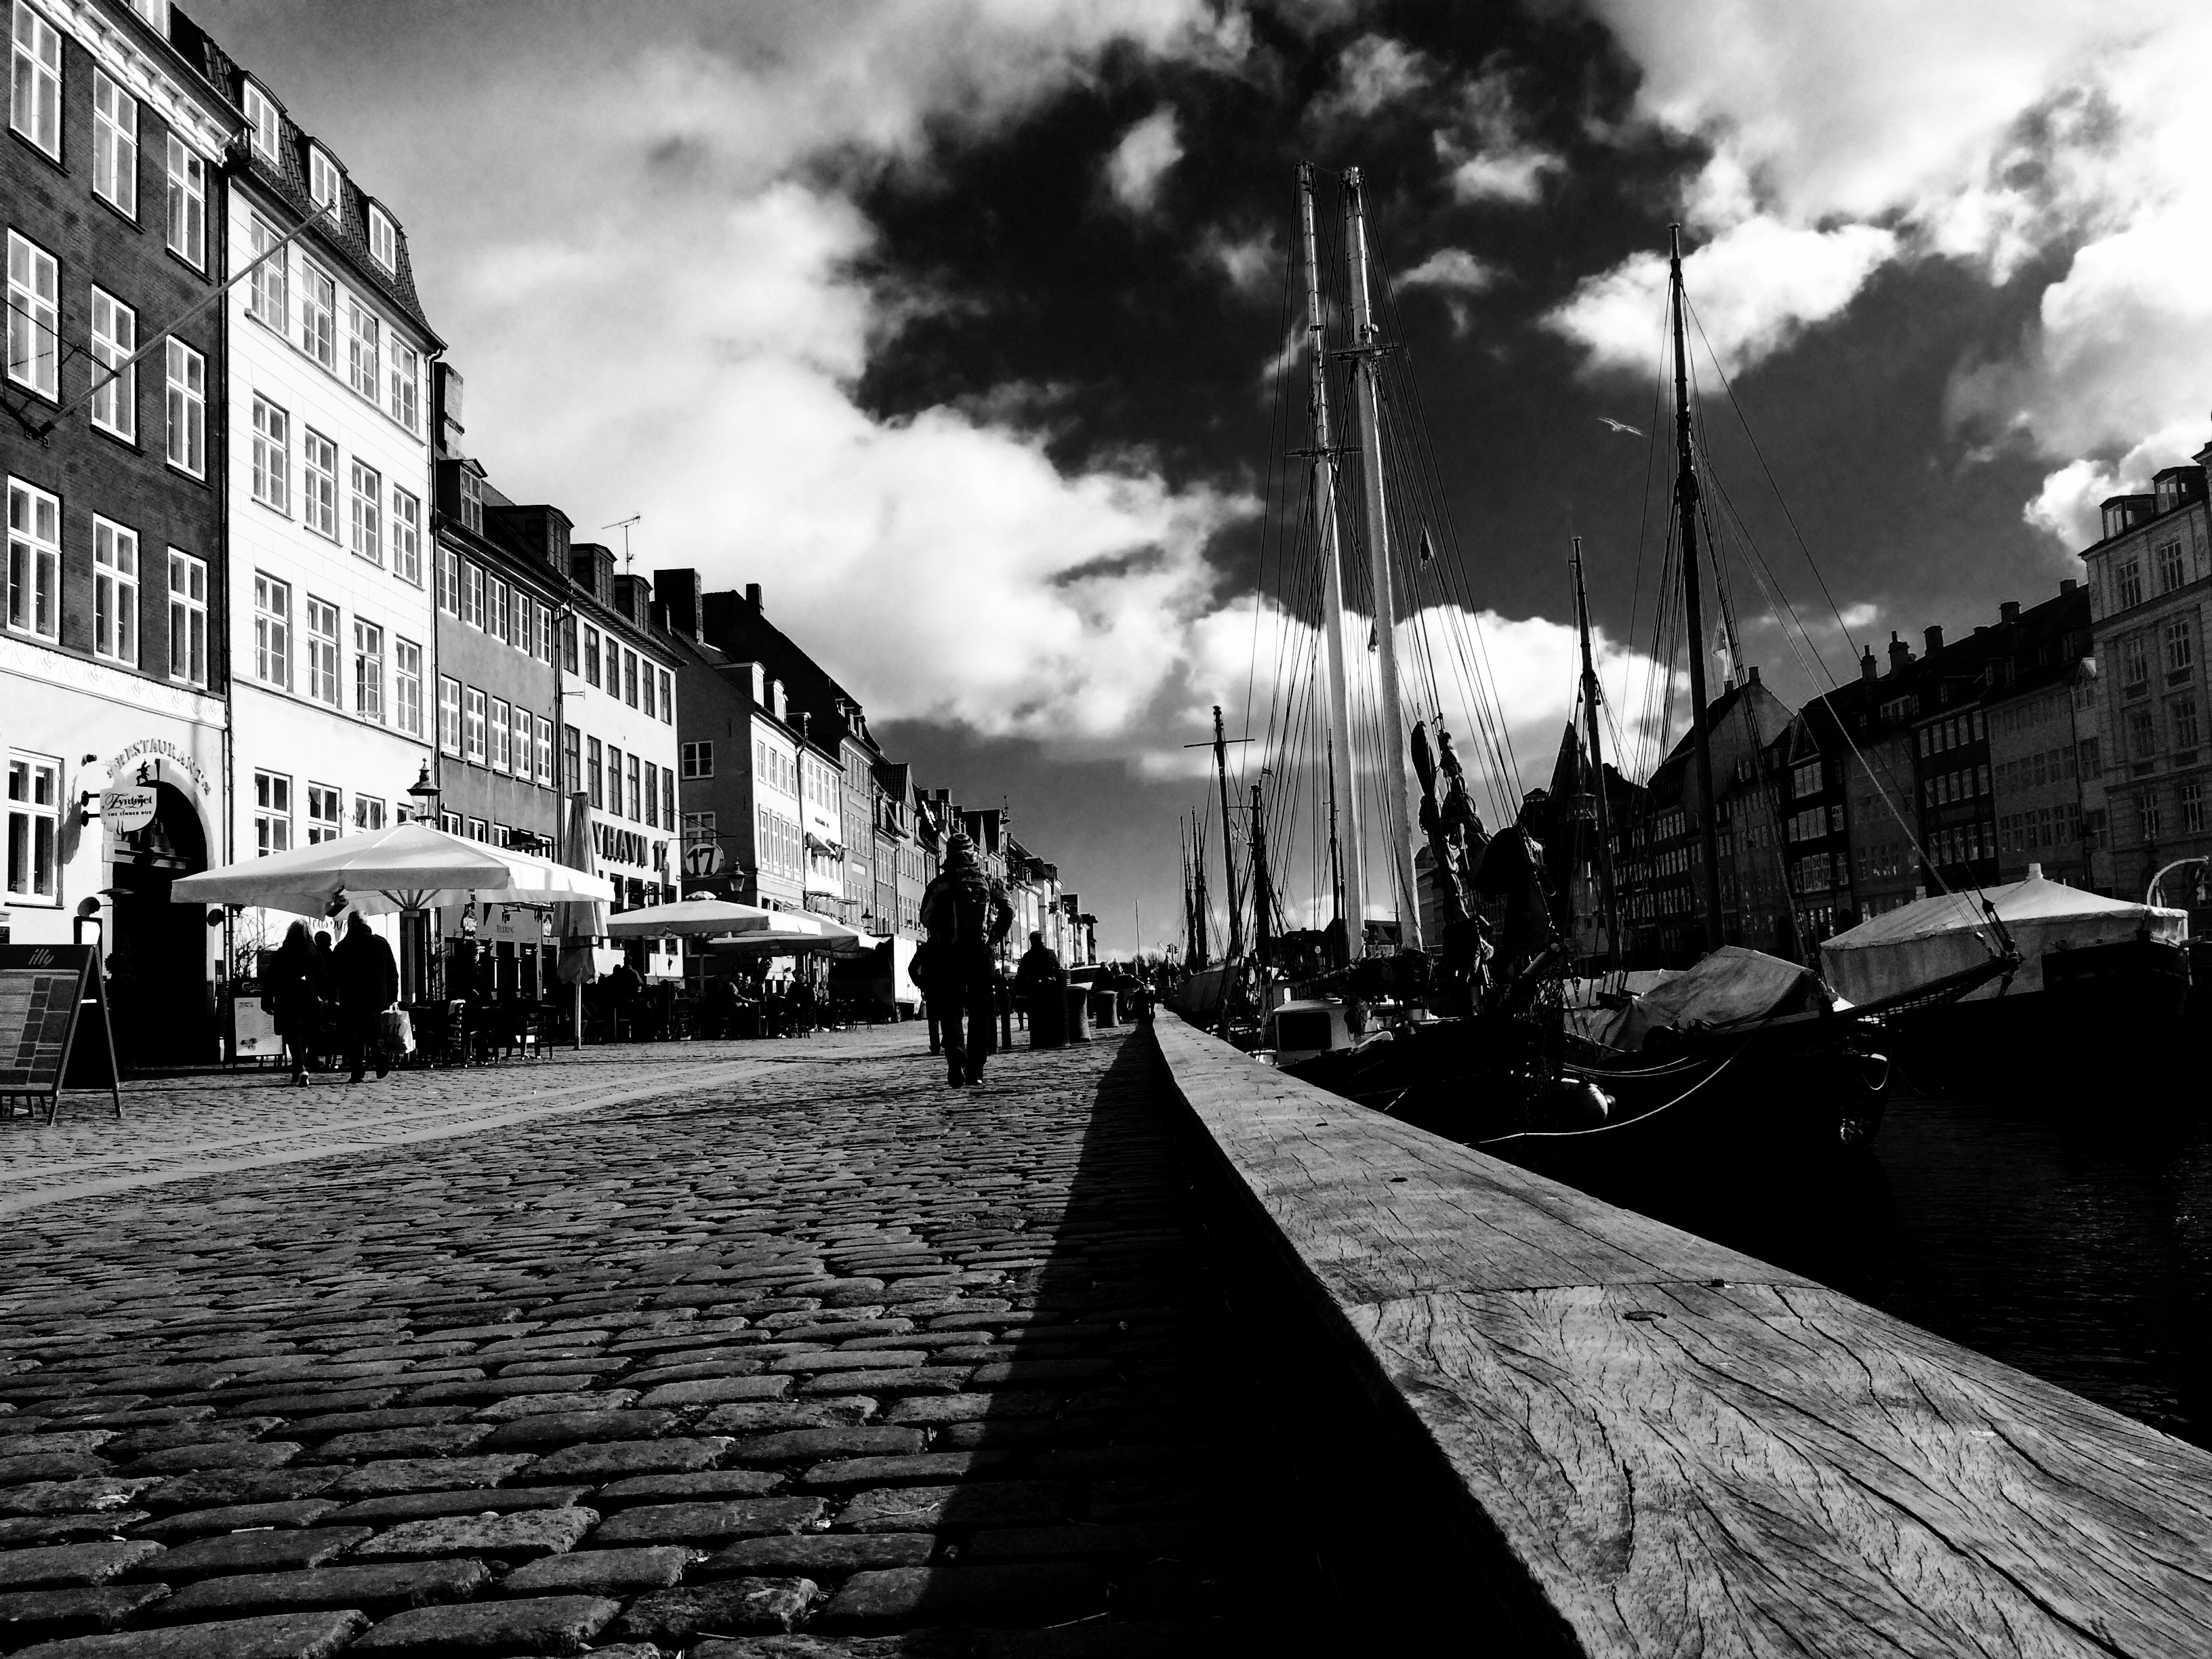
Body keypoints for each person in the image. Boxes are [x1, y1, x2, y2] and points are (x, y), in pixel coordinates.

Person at [919, 832, 1015, 1086]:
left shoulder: (940, 884)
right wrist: (994, 935)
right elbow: (1009, 907)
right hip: (981, 952)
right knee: (981, 1011)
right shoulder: (987, 879)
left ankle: (955, 1055)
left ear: (948, 855)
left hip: (949, 954)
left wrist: (943, 932)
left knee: (951, 1008)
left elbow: (925, 917)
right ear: (974, 854)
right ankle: (977, 1070)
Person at [333, 912, 399, 1083]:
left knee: (353, 1037)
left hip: (351, 998)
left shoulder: (342, 947)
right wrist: (392, 996)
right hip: (377, 998)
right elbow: (393, 973)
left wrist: (332, 999)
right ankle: (380, 1052)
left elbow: (334, 977)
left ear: (350, 924)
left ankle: (357, 1072)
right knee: (374, 1030)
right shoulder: (381, 943)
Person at [267, 920, 319, 1086]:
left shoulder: (282, 953)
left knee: (292, 1034)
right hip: (308, 997)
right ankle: (299, 1068)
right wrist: (325, 995)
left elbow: (271, 978)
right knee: (303, 1033)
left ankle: (300, 1067)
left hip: (287, 997)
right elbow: (323, 975)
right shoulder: (314, 952)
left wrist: (267, 998)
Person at [1012, 930, 1063, 1029]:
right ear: (1042, 940)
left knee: (1034, 1016)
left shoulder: (1028, 956)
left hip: (1034, 990)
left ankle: (1037, 1037)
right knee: (1050, 1013)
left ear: (1032, 941)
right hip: (1050, 989)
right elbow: (1058, 970)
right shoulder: (1051, 953)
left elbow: (1021, 973)